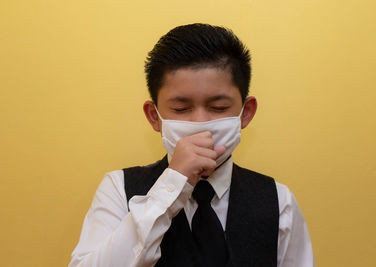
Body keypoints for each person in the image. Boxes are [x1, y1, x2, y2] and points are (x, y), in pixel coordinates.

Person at [69, 23, 315, 267]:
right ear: (154, 117)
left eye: (218, 108)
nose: (200, 123)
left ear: (245, 113)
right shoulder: (118, 189)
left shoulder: (279, 201)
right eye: (181, 109)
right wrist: (172, 185)